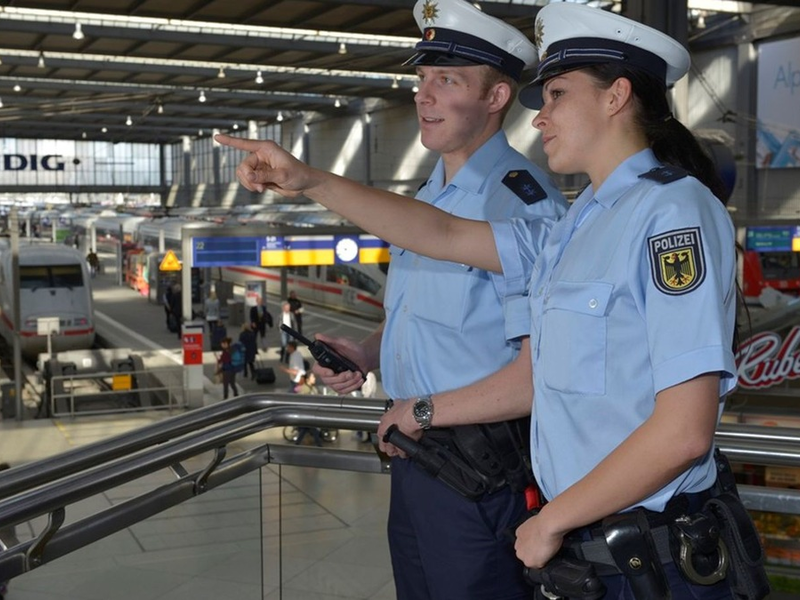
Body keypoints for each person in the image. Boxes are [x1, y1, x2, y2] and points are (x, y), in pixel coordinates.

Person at [215, 3, 772, 598]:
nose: (540, 119)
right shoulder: (575, 225)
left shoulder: (672, 213)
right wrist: (310, 181)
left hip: (650, 550)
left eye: (556, 94)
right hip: (589, 545)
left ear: (615, 97)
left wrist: (550, 520)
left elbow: (684, 433)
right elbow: (444, 236)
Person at [219, 1, 568, 598]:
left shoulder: (521, 205)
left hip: (481, 472)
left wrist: (425, 412)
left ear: (496, 97)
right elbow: (427, 320)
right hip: (414, 454)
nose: (423, 96)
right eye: (421, 79)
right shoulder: (431, 191)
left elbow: (539, 370)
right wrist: (367, 350)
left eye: (447, 81)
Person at [293, 372, 323, 446]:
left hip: (310, 413)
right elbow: (301, 401)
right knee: (313, 429)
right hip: (306, 414)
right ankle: (319, 445)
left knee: (305, 429)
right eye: (313, 377)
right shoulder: (305, 389)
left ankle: (297, 444)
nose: (314, 379)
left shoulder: (313, 388)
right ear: (307, 379)